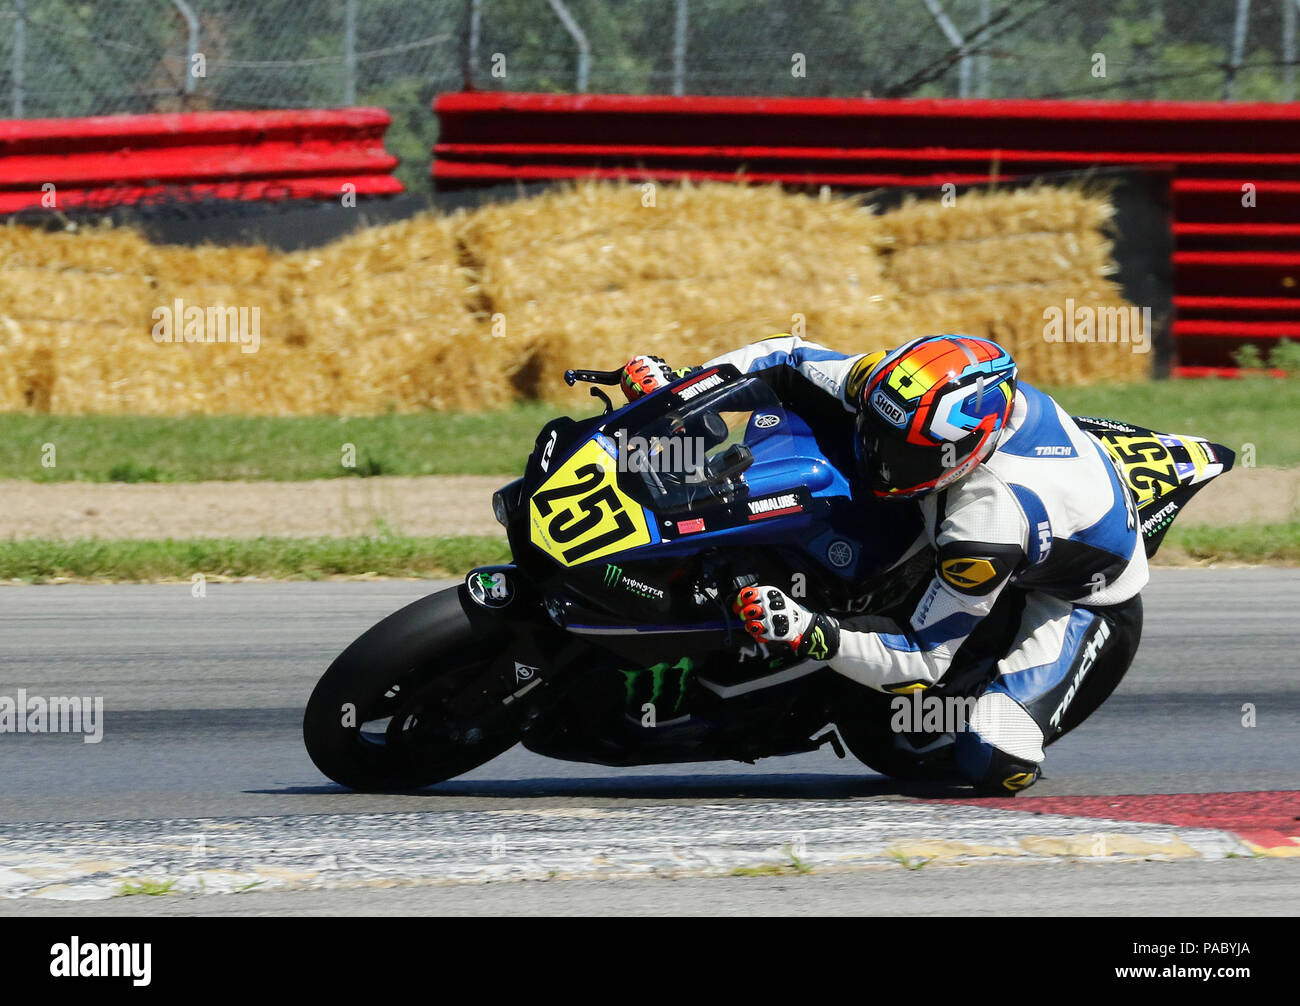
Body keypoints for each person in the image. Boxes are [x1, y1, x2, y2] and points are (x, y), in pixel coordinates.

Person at [619, 334, 1146, 794]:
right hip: (1036, 495)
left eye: (906, 454)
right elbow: (787, 355)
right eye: (875, 431)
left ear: (966, 448)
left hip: (1077, 602)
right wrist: (685, 386)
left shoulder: (986, 525)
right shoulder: (894, 385)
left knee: (995, 755)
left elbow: (923, 660)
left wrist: (809, 631)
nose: (879, 458)